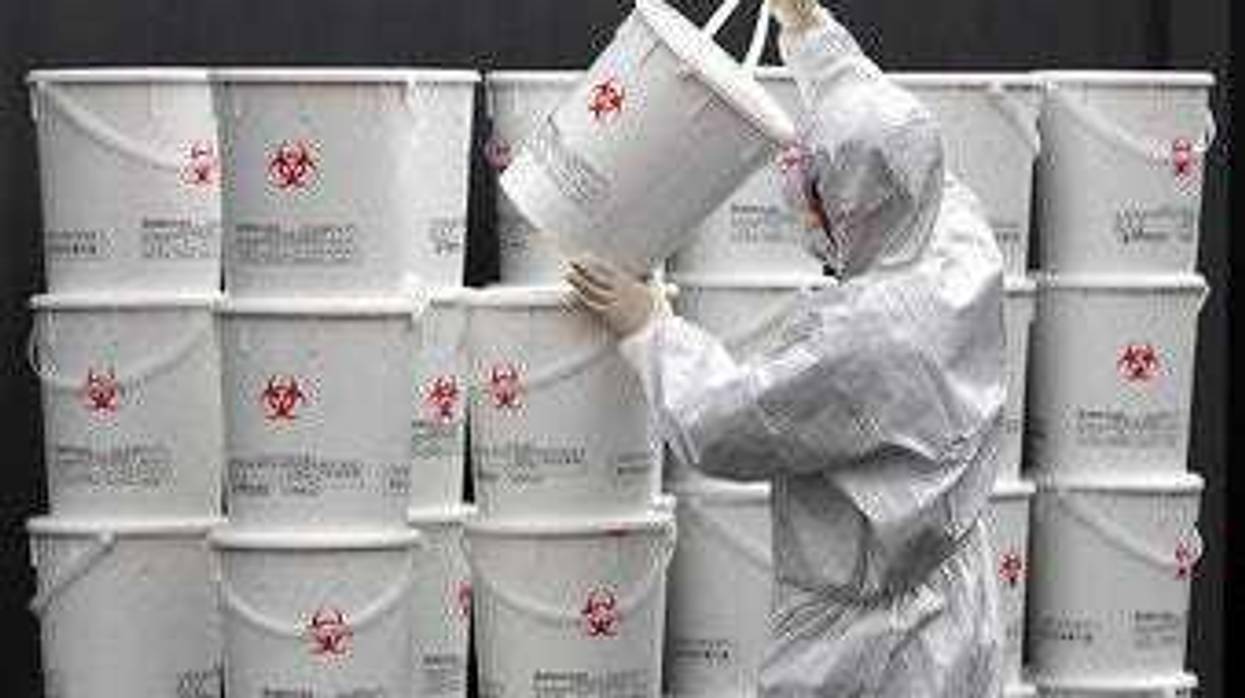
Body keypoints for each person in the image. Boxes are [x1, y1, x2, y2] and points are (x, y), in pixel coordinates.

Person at [565, 1, 1007, 696]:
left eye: (820, 192)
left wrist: (648, 328)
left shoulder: (863, 342)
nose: (807, 205)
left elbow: (726, 424)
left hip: (866, 643)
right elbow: (885, 141)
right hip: (957, 596)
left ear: (853, 206)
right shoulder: (953, 230)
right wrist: (809, 31)